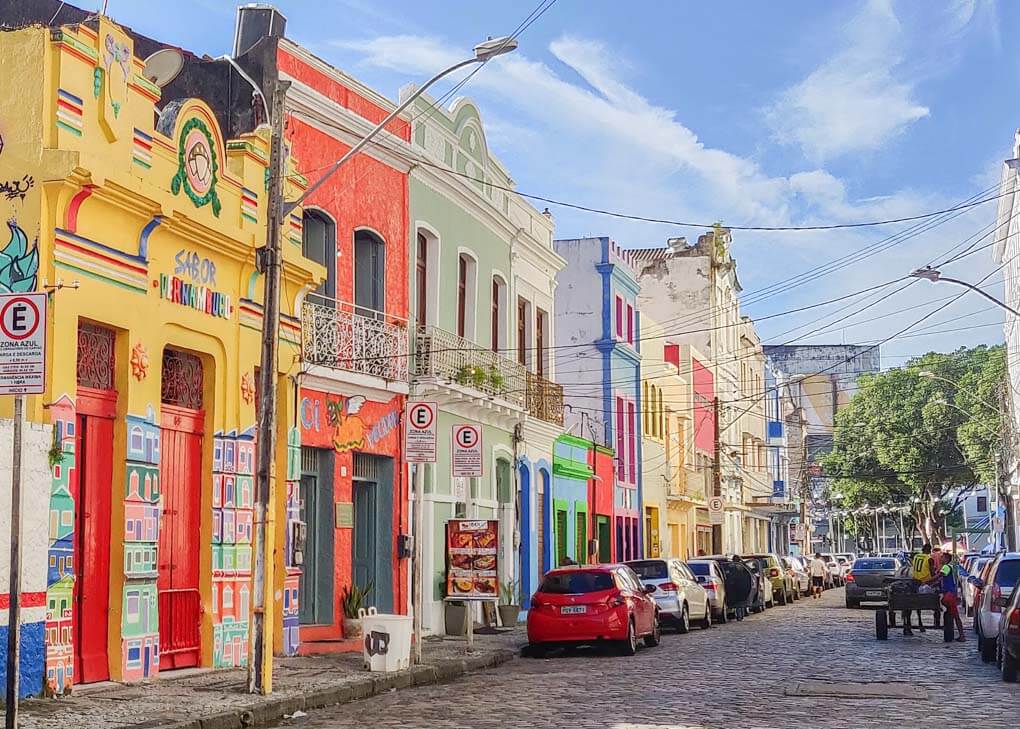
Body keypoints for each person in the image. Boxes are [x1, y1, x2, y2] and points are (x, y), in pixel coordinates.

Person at [939, 552, 965, 642]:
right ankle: (960, 635)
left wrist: (927, 582)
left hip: (949, 595)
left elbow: (939, 576)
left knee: (956, 615)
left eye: (942, 557)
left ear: (946, 559)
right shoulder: (951, 567)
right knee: (953, 615)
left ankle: (962, 636)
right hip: (950, 593)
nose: (940, 559)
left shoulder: (946, 567)